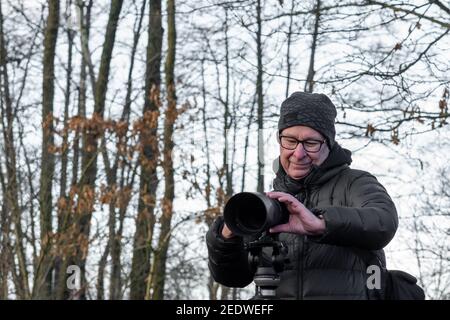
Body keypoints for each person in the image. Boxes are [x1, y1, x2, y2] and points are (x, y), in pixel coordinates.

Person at [206, 92, 399, 299]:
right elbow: (232, 278)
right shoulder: (266, 204)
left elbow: (383, 220)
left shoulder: (353, 183)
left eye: (311, 143)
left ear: (328, 143)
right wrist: (227, 235)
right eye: (290, 140)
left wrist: (322, 223)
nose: (298, 153)